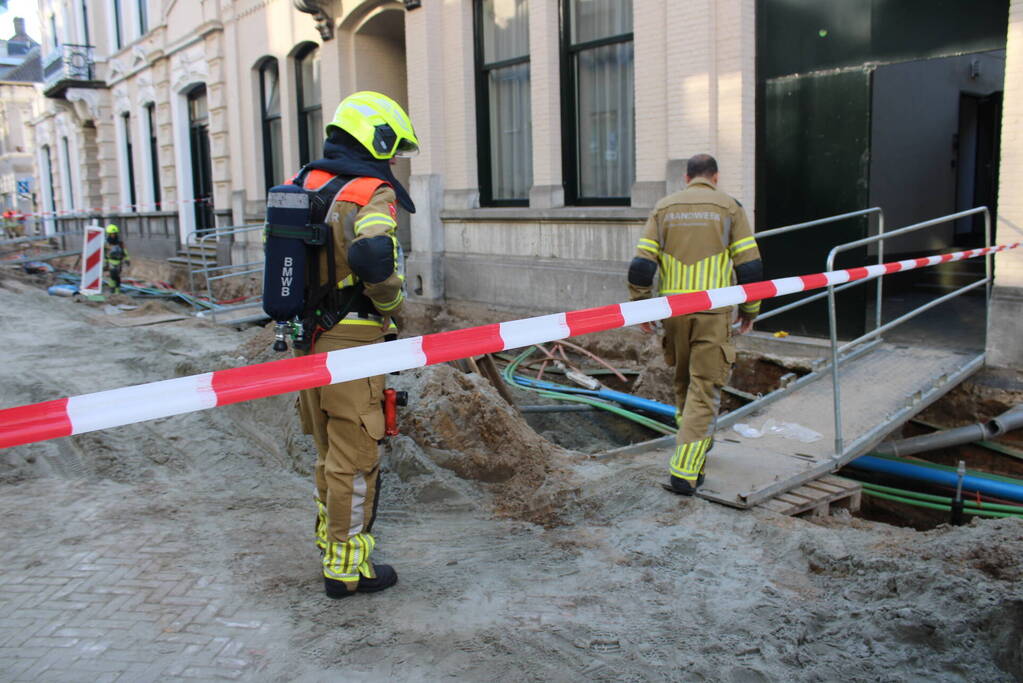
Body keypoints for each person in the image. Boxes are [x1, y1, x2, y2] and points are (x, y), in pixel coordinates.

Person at [291, 91, 416, 599]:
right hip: (355, 336)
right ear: (376, 137)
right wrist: (393, 307)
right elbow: (373, 255)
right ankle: (347, 567)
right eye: (390, 147)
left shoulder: (304, 184)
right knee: (357, 455)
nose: (390, 159)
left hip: (308, 337)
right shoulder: (371, 191)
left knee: (328, 451)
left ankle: (329, 542)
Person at [627, 154, 764, 496]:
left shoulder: (664, 207)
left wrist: (642, 306)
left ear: (687, 177)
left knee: (684, 383)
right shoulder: (730, 208)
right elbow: (750, 268)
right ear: (714, 177)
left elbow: (641, 266)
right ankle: (685, 471)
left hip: (672, 313)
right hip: (713, 315)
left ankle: (694, 448)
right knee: (705, 389)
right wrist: (750, 311)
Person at [104, 224, 130, 293]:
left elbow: (125, 251)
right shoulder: (106, 244)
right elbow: (104, 254)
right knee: (112, 276)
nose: (113, 235)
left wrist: (127, 259)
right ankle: (112, 290)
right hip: (110, 262)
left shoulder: (120, 243)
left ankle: (117, 291)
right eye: (111, 234)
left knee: (117, 277)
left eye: (114, 234)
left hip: (118, 262)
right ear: (109, 234)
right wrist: (105, 263)